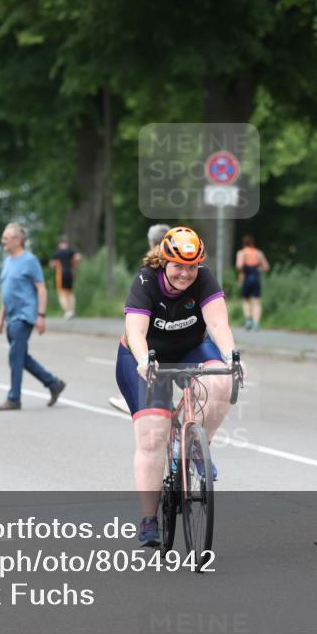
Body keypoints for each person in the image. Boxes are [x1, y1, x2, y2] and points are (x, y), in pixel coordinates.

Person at [114, 227, 239, 547]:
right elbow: (137, 333)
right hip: (144, 355)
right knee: (154, 433)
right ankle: (148, 519)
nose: (186, 274)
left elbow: (217, 324)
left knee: (222, 382)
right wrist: (144, 361)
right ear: (163, 261)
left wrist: (231, 356)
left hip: (190, 348)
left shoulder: (204, 278)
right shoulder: (145, 281)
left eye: (192, 267)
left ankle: (198, 446)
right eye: (178, 267)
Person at [0, 222, 67, 411]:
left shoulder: (29, 260)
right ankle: (53, 383)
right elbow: (6, 292)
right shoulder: (8, 260)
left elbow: (41, 289)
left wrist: (41, 315)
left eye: (6, 238)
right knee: (21, 357)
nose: (3, 241)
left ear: (18, 241)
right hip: (10, 317)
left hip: (24, 316)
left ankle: (14, 398)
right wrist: (0, 319)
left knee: (15, 357)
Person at [108, 224, 173, 415]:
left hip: (157, 324)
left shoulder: (153, 259)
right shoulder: (180, 258)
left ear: (152, 242)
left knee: (133, 336)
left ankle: (141, 398)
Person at [235, 235, 270, 330]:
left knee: (246, 300)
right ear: (252, 243)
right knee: (257, 301)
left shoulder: (242, 253)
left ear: (243, 244)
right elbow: (266, 267)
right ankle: (256, 323)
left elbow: (239, 266)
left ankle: (248, 320)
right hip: (256, 278)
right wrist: (257, 269)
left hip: (246, 277)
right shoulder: (258, 253)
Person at [49, 236, 81, 320]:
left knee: (62, 294)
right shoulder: (71, 250)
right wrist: (74, 264)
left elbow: (52, 264)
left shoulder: (58, 252)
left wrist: (56, 264)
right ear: (66, 243)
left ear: (60, 243)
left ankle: (67, 312)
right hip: (70, 273)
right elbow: (78, 257)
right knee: (70, 293)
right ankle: (72, 311)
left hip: (61, 274)